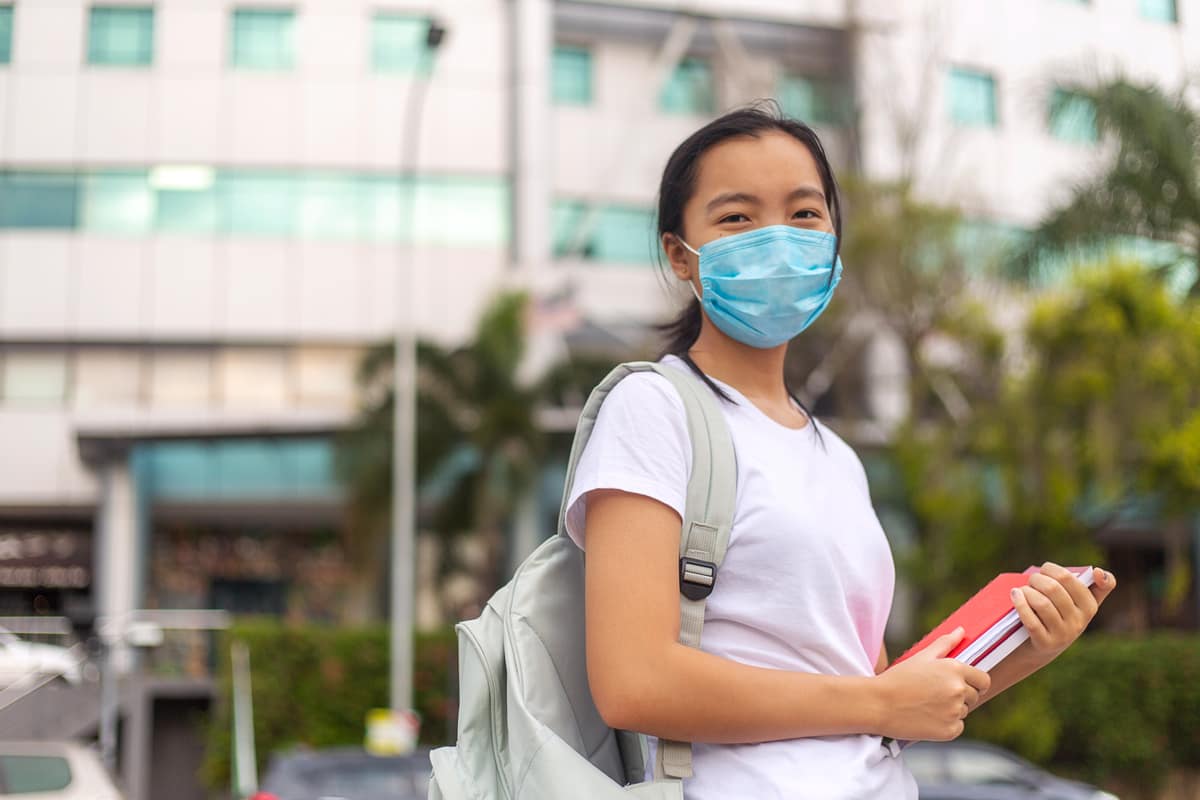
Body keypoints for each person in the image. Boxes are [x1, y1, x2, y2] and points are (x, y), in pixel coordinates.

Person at [562, 104, 1117, 799]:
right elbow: (633, 682)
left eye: (803, 214)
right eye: (737, 217)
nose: (778, 239)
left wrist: (1029, 647)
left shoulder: (836, 456)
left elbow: (881, 702)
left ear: (833, 240)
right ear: (681, 254)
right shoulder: (654, 407)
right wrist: (877, 703)